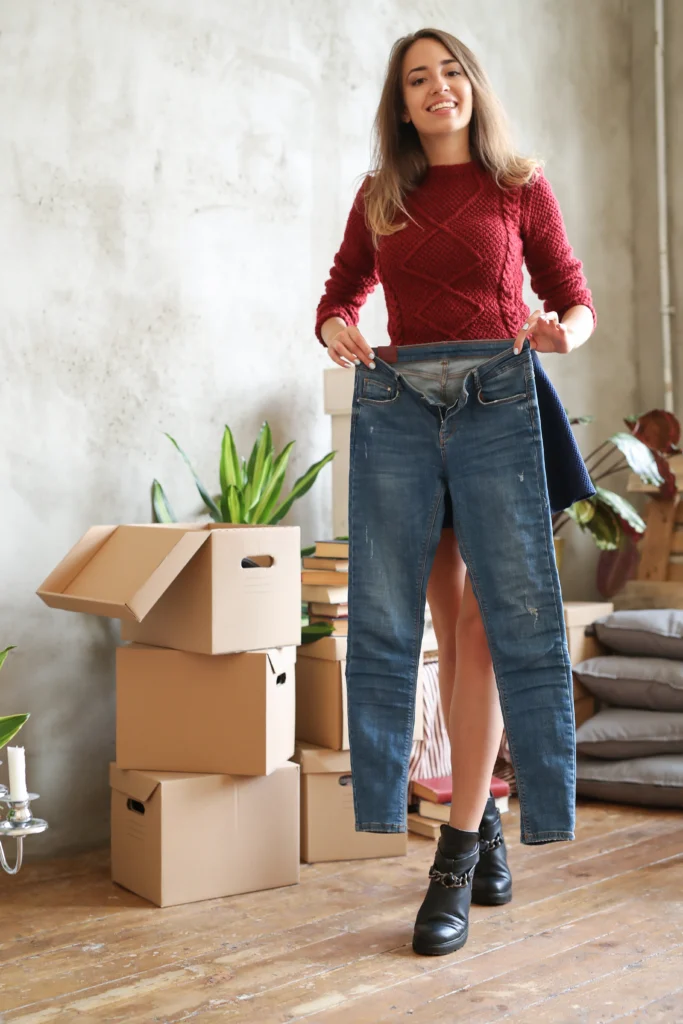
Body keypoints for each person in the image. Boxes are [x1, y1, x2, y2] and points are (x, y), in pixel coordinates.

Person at [314, 28, 596, 957]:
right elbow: (339, 293)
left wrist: (567, 332)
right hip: (405, 413)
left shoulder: (518, 183)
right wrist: (336, 328)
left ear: (473, 87)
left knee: (491, 629)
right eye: (417, 80)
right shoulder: (380, 196)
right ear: (401, 105)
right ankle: (483, 831)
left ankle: (457, 848)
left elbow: (571, 293)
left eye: (450, 73)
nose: (438, 89)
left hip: (500, 411)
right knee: (438, 625)